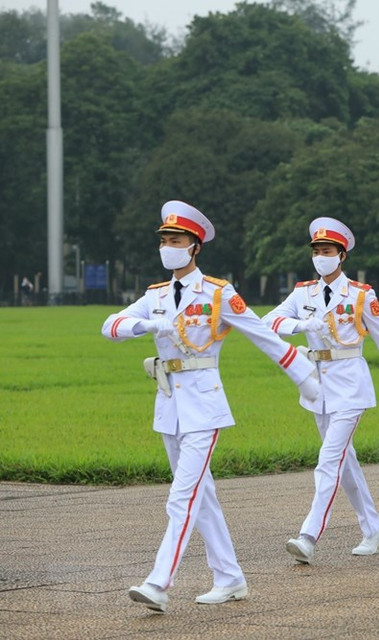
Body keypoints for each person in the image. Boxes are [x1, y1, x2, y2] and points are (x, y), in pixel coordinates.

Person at [101, 201, 320, 613]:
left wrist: (305, 377)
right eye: (165, 240)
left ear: (194, 246)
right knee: (201, 496)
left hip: (204, 405)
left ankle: (158, 581)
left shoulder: (219, 293)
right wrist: (144, 325)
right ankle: (230, 578)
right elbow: (109, 326)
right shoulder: (156, 296)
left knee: (181, 497)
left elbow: (263, 336)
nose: (169, 247)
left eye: (176, 240)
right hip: (168, 405)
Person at [262, 217, 379, 565]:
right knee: (345, 462)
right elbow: (268, 322)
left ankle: (309, 534)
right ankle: (373, 526)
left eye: (327, 251)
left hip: (350, 383)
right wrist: (301, 324)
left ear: (341, 255)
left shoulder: (361, 295)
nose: (320, 257)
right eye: (316, 251)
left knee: (328, 460)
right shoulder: (304, 293)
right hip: (317, 386)